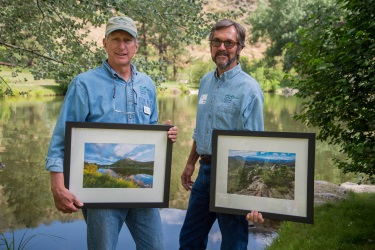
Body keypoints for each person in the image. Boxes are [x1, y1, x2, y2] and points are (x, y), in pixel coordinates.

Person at [45, 16, 178, 250]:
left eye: (127, 40)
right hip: (99, 196)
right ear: (104, 43)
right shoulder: (84, 84)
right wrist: (57, 184)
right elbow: (61, 139)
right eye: (115, 39)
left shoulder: (147, 85)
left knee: (155, 246)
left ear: (136, 46)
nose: (122, 46)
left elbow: (150, 134)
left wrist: (165, 137)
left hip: (143, 195)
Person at [179, 19, 264, 249]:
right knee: (189, 241)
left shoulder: (249, 89)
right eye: (217, 41)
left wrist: (252, 194)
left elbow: (255, 146)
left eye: (229, 42)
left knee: (232, 244)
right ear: (211, 45)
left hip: (233, 175)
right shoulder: (206, 81)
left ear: (240, 47)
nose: (222, 48)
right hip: (204, 173)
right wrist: (190, 164)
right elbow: (201, 129)